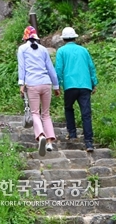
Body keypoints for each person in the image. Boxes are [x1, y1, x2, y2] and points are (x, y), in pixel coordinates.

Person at [18, 26, 60, 156]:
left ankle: (41, 135)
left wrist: (21, 84)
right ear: (36, 37)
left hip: (32, 83)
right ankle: (49, 142)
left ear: (25, 37)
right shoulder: (43, 49)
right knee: (46, 114)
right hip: (46, 83)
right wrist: (56, 86)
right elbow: (51, 69)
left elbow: (22, 68)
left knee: (35, 113)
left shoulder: (22, 49)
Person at [55, 26, 98, 153]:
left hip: (70, 85)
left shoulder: (61, 51)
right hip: (85, 85)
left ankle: (72, 134)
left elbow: (58, 69)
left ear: (63, 39)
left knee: (69, 108)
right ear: (75, 37)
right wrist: (94, 82)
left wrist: (57, 85)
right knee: (86, 114)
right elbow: (91, 67)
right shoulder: (84, 50)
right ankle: (89, 142)